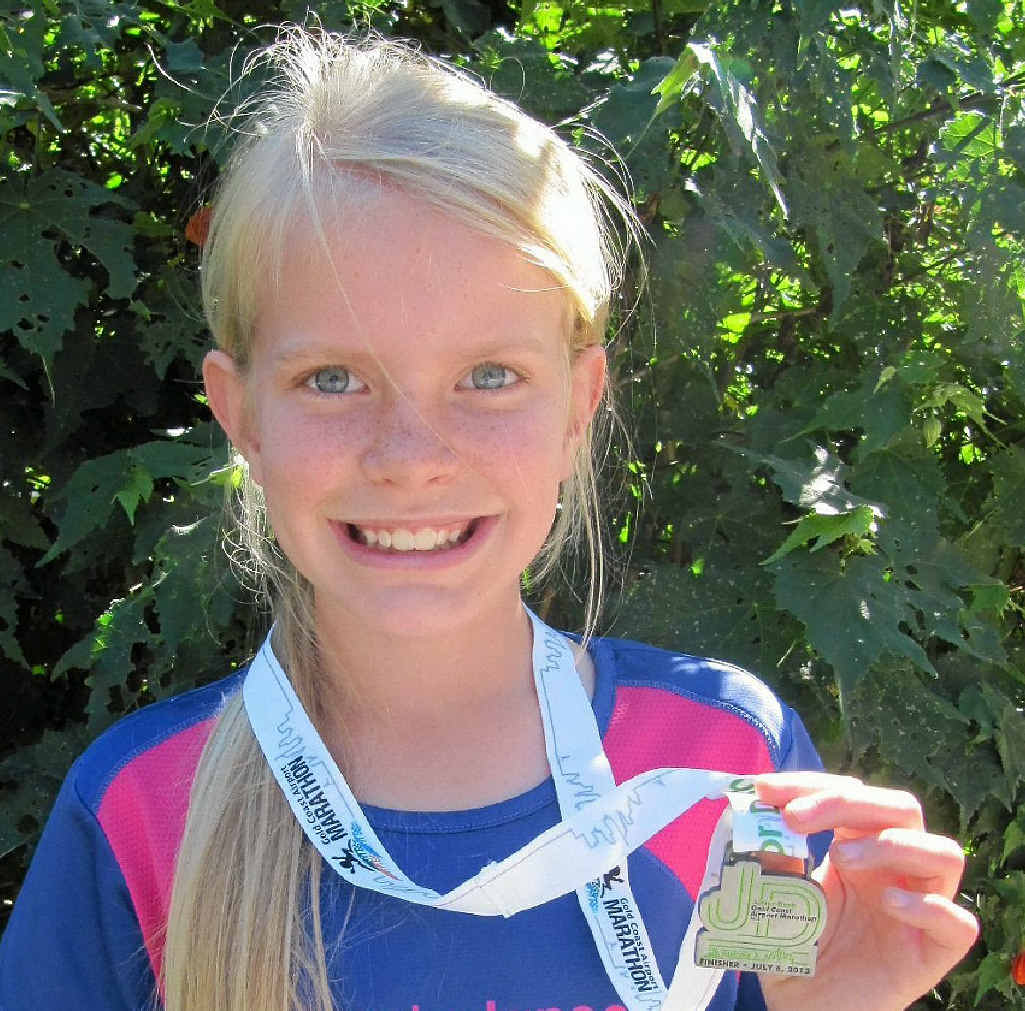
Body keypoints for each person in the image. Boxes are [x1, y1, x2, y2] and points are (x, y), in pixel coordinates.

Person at [0, 28, 978, 1011]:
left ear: (577, 404)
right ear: (241, 414)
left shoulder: (728, 763)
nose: (411, 456)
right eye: (332, 379)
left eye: (488, 376)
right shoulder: (138, 814)